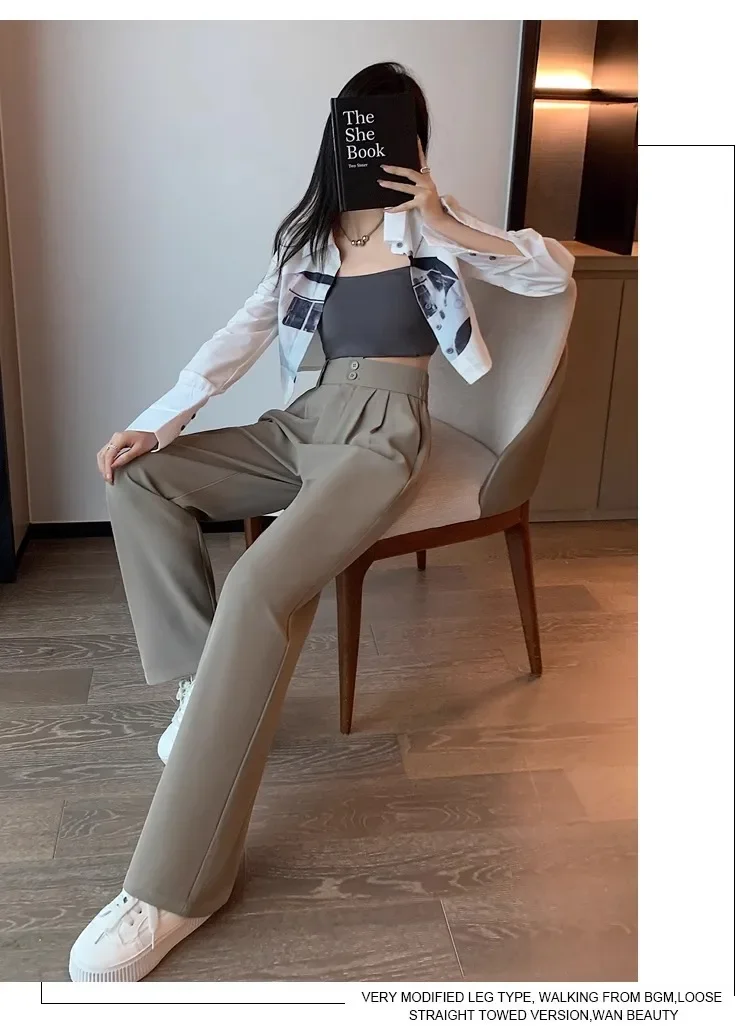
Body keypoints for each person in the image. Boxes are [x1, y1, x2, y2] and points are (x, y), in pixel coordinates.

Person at [69, 61, 573, 982]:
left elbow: (551, 275)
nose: (373, 141)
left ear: (412, 140)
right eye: (359, 125)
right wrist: (159, 418)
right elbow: (242, 332)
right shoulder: (308, 239)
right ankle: (204, 686)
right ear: (340, 134)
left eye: (394, 126)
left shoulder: (434, 227)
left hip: (384, 433)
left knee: (259, 589)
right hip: (305, 421)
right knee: (142, 482)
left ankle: (175, 888)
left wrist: (448, 218)